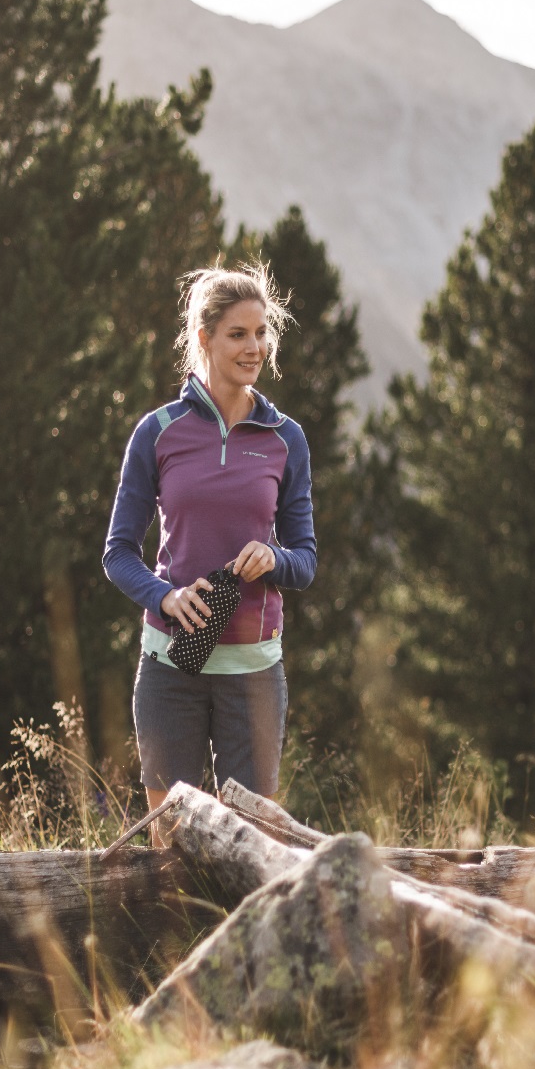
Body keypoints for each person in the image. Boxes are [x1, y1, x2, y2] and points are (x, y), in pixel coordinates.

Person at [103, 262, 316, 824]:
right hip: (171, 666)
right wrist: (164, 597)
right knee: (167, 857)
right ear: (204, 338)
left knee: (250, 853)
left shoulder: (285, 438)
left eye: (262, 333)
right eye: (238, 334)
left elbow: (307, 559)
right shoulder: (158, 431)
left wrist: (275, 558)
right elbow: (118, 552)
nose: (255, 348)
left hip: (254, 675)